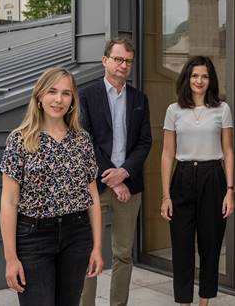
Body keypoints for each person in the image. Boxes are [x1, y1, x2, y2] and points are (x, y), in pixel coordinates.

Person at [0, 67, 104, 306]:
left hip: (76, 234)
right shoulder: (20, 139)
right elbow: (9, 202)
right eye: (52, 91)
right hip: (33, 237)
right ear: (39, 96)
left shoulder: (82, 140)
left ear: (73, 100)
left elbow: (93, 197)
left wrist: (97, 247)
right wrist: (10, 258)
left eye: (66, 93)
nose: (59, 99)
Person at [79, 38, 152, 306]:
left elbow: (145, 142)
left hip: (129, 186)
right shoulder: (86, 95)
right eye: (118, 59)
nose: (124, 65)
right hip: (95, 186)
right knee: (90, 251)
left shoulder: (139, 98)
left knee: (123, 253)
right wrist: (112, 175)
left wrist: (124, 174)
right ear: (105, 60)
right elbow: (85, 140)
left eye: (128, 61)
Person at [160, 55, 235, 305]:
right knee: (181, 247)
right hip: (182, 178)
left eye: (204, 76)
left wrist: (230, 190)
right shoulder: (174, 110)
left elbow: (228, 152)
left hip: (213, 177)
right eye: (194, 76)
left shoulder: (222, 109)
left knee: (210, 245)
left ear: (210, 79)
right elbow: (167, 153)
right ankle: (184, 302)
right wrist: (166, 196)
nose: (199, 80)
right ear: (187, 78)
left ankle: (204, 301)